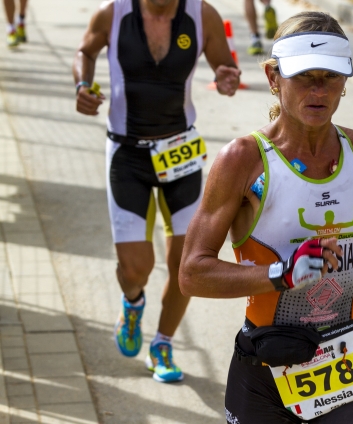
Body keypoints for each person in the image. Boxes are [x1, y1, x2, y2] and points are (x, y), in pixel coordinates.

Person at [180, 11, 353, 423]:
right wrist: (281, 274)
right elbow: (192, 273)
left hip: (343, 355)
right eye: (304, 76)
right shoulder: (243, 160)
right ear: (274, 77)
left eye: (331, 76)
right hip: (265, 362)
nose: (319, 90)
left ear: (346, 79)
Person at [73, 0, 240, 383]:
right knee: (135, 269)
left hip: (180, 152)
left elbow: (225, 67)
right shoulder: (113, 13)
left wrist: (227, 78)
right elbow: (85, 51)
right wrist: (82, 84)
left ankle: (163, 343)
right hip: (126, 153)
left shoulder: (202, 15)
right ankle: (133, 303)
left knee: (187, 265)